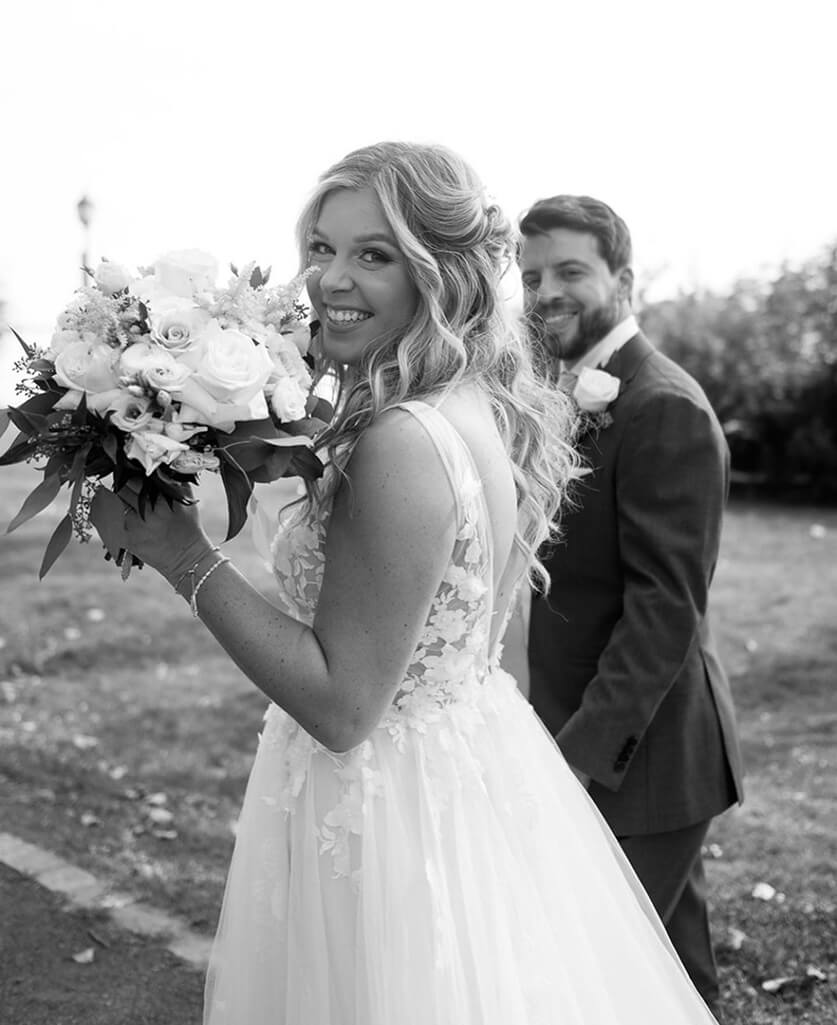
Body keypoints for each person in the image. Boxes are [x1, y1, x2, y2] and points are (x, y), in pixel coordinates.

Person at [93, 143, 721, 1024]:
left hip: (384, 810)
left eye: (374, 254)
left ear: (438, 273)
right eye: (322, 247)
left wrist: (182, 555)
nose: (331, 278)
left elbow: (344, 706)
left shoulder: (400, 440)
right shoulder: (471, 404)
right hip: (458, 772)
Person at [517, 193, 745, 1015]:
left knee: (603, 980)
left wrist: (578, 756)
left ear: (623, 280)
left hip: (639, 757)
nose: (546, 292)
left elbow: (664, 610)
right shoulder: (559, 391)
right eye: (531, 276)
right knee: (670, 977)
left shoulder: (662, 407)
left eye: (570, 271)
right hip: (592, 731)